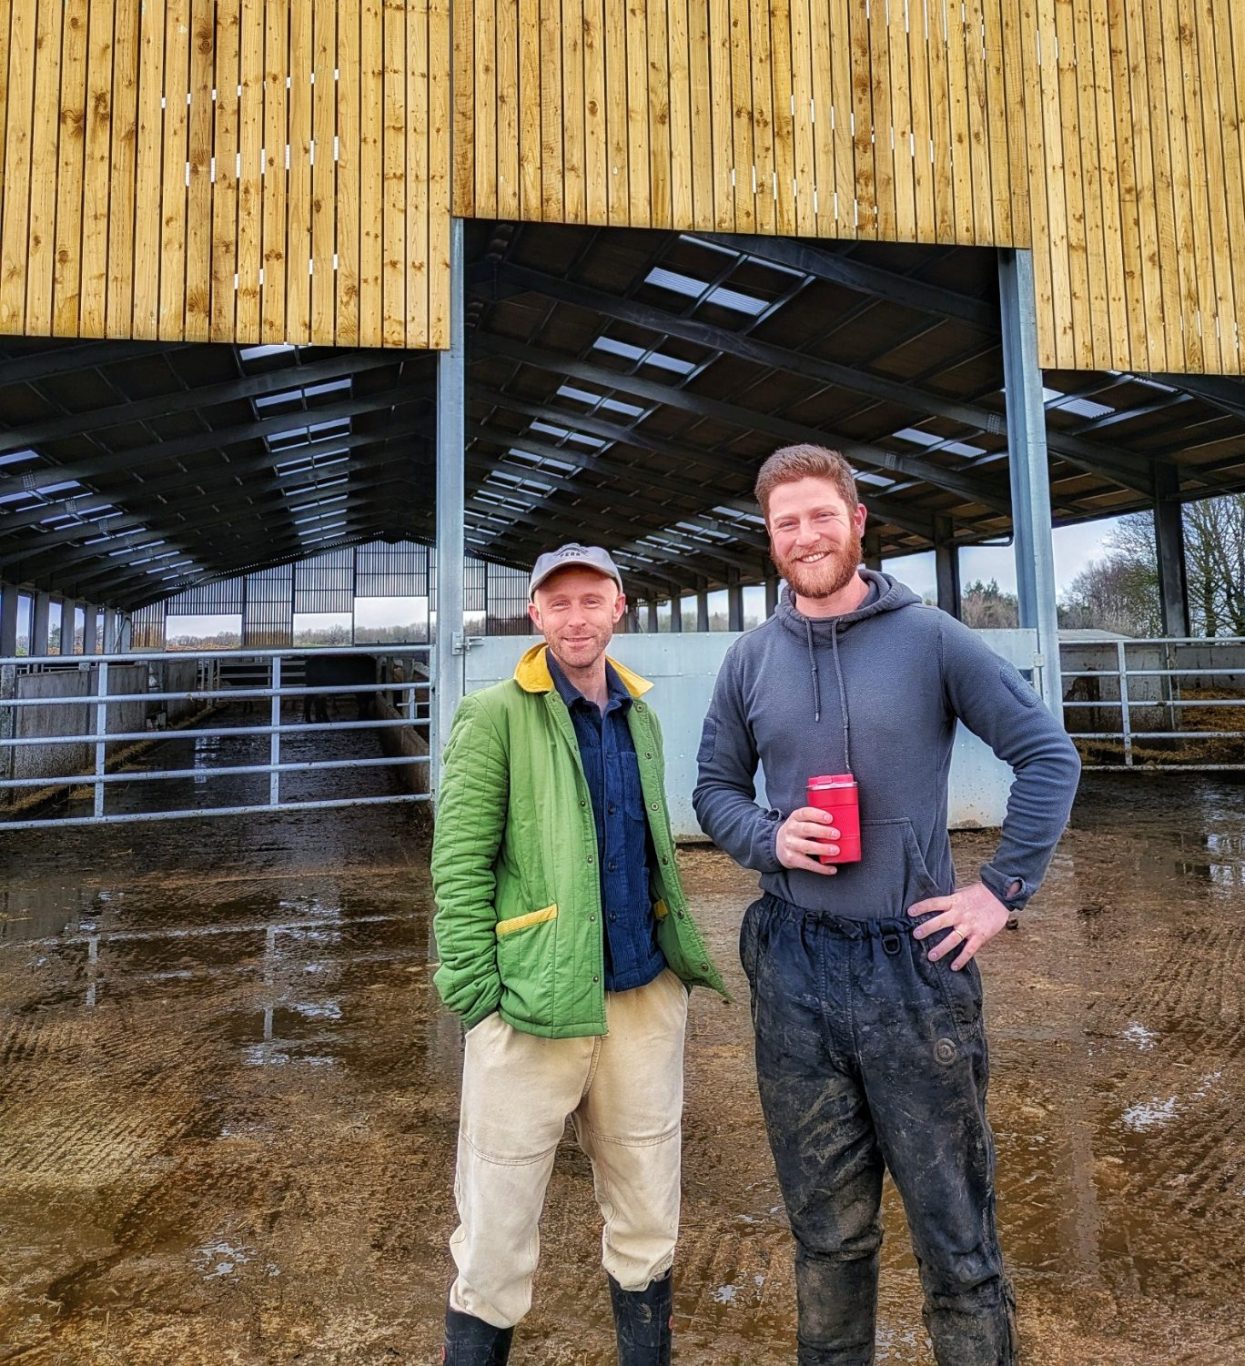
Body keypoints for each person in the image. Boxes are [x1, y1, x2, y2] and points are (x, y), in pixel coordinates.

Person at [693, 446, 1081, 1366]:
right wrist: (766, 837)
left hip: (912, 967)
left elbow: (1048, 756)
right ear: (768, 537)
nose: (804, 535)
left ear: (858, 521)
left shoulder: (932, 638)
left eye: (820, 515)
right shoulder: (750, 658)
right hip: (791, 964)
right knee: (828, 1237)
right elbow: (713, 787)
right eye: (786, 522)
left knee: (957, 1243)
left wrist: (998, 893)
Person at [431, 543, 727, 1366]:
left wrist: (673, 972)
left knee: (647, 1215)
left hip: (639, 996)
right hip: (530, 1008)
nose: (575, 618)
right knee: (495, 1229)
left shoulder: (641, 712)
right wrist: (476, 997)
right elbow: (457, 865)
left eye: (591, 601)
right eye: (557, 603)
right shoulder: (495, 714)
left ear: (618, 609)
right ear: (534, 614)